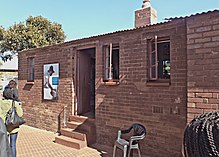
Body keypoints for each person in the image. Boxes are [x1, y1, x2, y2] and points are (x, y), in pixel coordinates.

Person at [1, 88, 23, 157]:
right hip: (13, 127)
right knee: (13, 145)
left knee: (3, 145)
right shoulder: (14, 103)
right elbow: (20, 114)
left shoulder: (0, 102)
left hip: (3, 127)